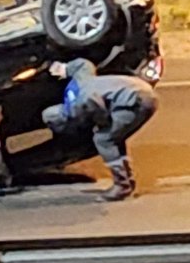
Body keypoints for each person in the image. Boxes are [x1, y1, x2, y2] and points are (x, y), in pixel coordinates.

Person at [42, 58, 157, 202]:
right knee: (114, 137)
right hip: (138, 88)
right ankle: (127, 180)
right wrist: (64, 68)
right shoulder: (76, 85)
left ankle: (122, 186)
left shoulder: (76, 108)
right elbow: (84, 65)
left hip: (135, 101)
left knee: (104, 139)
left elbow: (96, 106)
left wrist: (100, 123)